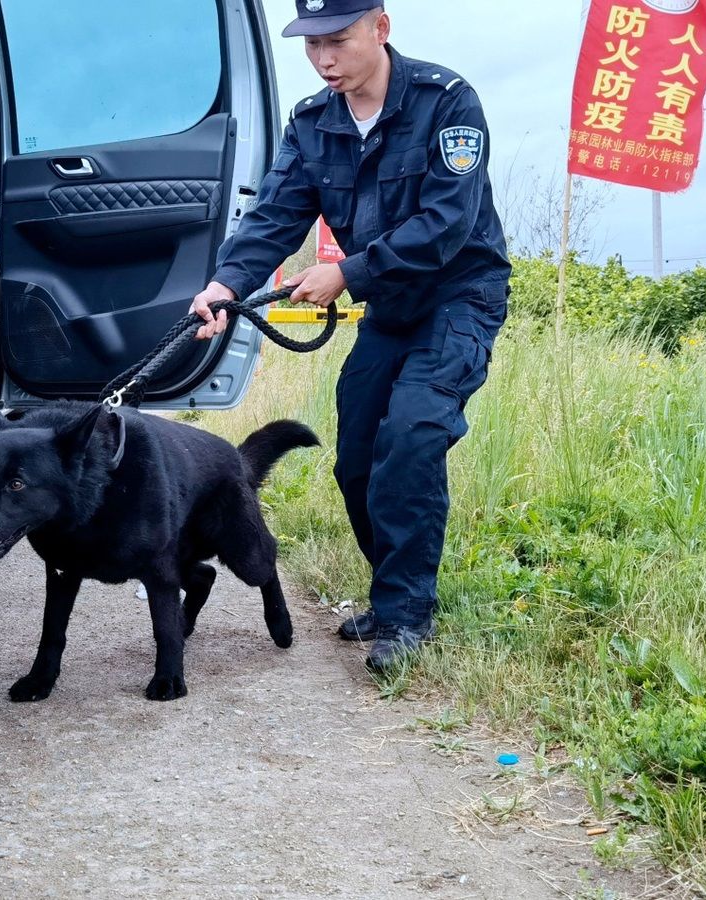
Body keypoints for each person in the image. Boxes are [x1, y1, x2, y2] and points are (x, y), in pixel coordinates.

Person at [190, 0, 511, 672]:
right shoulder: (313, 123)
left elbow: (447, 223)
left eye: (338, 41)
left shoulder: (446, 101)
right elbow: (274, 216)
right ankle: (395, 593)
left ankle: (405, 614)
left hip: (458, 295)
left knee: (413, 436)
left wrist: (345, 272)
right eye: (312, 47)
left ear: (380, 29)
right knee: (358, 459)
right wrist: (226, 285)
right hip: (390, 305)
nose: (325, 60)